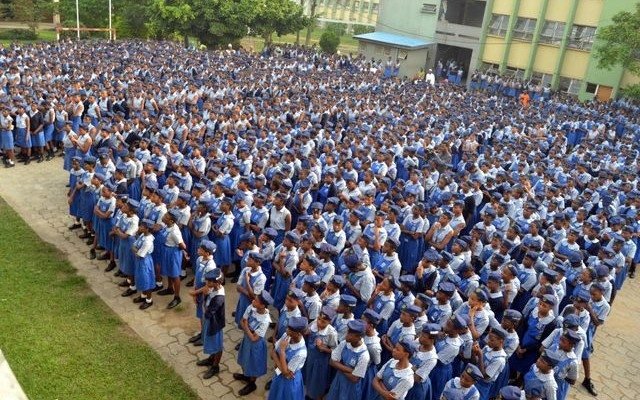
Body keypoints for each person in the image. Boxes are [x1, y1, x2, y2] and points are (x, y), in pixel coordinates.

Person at [235, 291, 274, 395]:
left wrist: (246, 326)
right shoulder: (251, 307)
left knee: (253, 364)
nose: (253, 300)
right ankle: (246, 375)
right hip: (247, 341)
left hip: (256, 346)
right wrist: (248, 328)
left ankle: (252, 383)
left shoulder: (265, 320)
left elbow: (254, 338)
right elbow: (241, 321)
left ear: (262, 305)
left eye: (256, 300)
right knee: (244, 359)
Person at [326, 319, 370, 400]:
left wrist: (339, 366)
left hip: (350, 389)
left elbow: (354, 379)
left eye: (350, 333)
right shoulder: (345, 343)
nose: (347, 335)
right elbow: (331, 362)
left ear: (359, 337)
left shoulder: (364, 355)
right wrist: (351, 370)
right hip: (338, 382)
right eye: (348, 331)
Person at [267, 316, 309, 400]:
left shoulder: (301, 353)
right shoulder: (287, 336)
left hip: (289, 384)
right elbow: (272, 353)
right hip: (279, 375)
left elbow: (286, 374)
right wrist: (283, 368)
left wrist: (282, 351)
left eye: (290, 330)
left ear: (299, 333)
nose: (286, 330)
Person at [195, 268, 225, 379]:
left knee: (217, 345)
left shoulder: (219, 298)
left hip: (215, 324)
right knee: (212, 341)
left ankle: (215, 366)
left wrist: (204, 295)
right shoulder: (214, 288)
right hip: (210, 321)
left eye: (209, 282)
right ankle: (211, 359)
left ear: (216, 283)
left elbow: (208, 311)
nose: (206, 283)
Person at [304, 306, 339, 400]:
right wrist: (307, 332)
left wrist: (323, 348)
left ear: (329, 322)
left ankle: (317, 397)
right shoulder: (314, 323)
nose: (319, 322)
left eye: (323, 322)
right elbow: (307, 330)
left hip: (320, 362)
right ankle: (308, 394)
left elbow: (335, 350)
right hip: (310, 357)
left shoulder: (331, 333)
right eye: (319, 319)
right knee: (309, 377)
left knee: (318, 382)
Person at [158, 209, 189, 309]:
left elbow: (182, 246)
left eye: (166, 216)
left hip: (173, 253)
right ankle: (170, 288)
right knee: (169, 271)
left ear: (171, 221)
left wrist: (177, 251)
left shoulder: (175, 232)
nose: (164, 217)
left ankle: (177, 297)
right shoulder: (167, 226)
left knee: (175, 274)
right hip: (166, 251)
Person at [131, 218, 156, 309]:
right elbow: (133, 245)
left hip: (145, 261)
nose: (139, 227)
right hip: (140, 260)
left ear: (147, 229)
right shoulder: (143, 235)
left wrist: (136, 250)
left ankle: (149, 300)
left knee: (147, 280)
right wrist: (136, 250)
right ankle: (143, 296)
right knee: (141, 278)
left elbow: (140, 255)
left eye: (142, 226)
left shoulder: (148, 241)